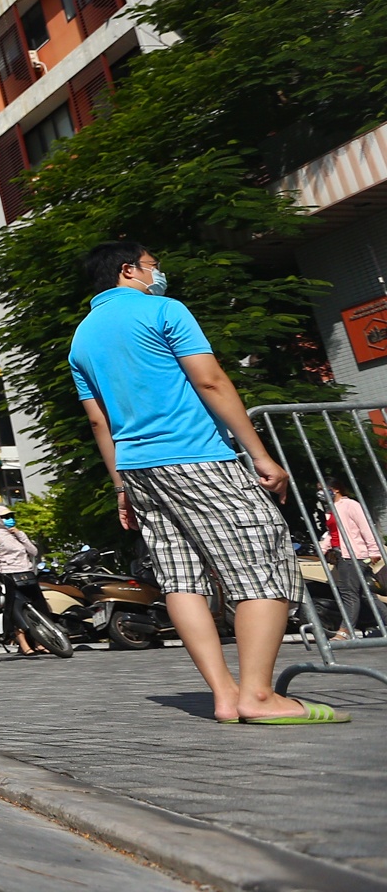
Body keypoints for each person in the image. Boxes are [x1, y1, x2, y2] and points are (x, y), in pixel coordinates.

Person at [71, 240, 345, 725]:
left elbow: (99, 423)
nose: (160, 273)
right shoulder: (163, 310)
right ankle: (258, 696)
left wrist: (120, 488)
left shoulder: (82, 339)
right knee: (266, 555)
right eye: (155, 265)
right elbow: (211, 381)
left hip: (138, 470)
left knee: (181, 577)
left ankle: (224, 695)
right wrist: (260, 455)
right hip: (196, 456)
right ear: (129, 270)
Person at [320, 483, 383, 639]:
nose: (320, 492)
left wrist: (374, 550)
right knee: (365, 595)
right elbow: (333, 533)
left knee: (349, 594)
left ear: (336, 489)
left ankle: (345, 631)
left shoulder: (350, 505)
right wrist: (322, 548)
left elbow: (365, 527)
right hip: (340, 556)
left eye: (322, 488)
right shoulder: (330, 508)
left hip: (353, 555)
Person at [0, 504, 41, 655]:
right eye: (5, 517)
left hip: (27, 574)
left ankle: (40, 641)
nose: (9, 519)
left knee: (36, 610)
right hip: (10, 576)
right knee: (17, 611)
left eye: (11, 516)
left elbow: (33, 551)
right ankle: (24, 644)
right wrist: (1, 577)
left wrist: (19, 535)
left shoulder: (19, 534)